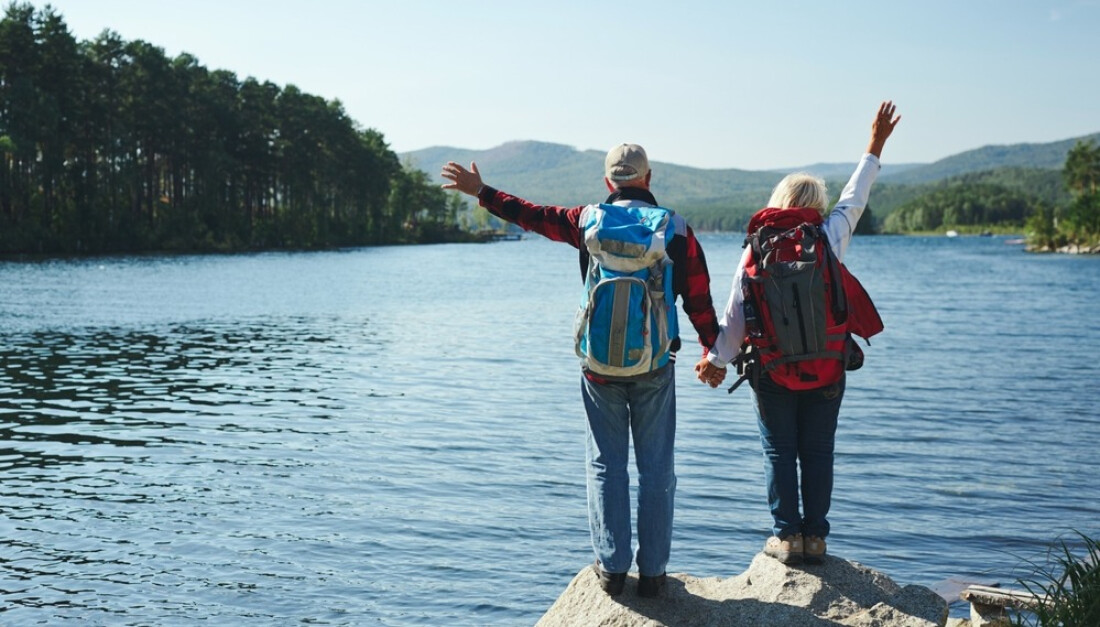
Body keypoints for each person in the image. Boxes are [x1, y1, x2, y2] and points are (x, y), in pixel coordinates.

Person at [441, 145, 723, 598]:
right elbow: (700, 299)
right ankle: (653, 575)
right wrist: (715, 352)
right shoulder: (676, 229)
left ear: (609, 182)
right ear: (648, 178)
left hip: (598, 366)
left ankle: (611, 569)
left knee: (605, 464)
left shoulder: (586, 219)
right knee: (657, 469)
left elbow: (532, 215)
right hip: (655, 365)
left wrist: (483, 192)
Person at [695, 101, 900, 565]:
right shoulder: (827, 238)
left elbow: (734, 317)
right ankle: (817, 539)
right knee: (819, 451)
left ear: (778, 202)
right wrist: (875, 144)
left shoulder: (756, 249)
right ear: (816, 208)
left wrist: (714, 361)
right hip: (827, 368)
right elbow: (857, 195)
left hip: (771, 371)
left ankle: (786, 538)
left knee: (779, 451)